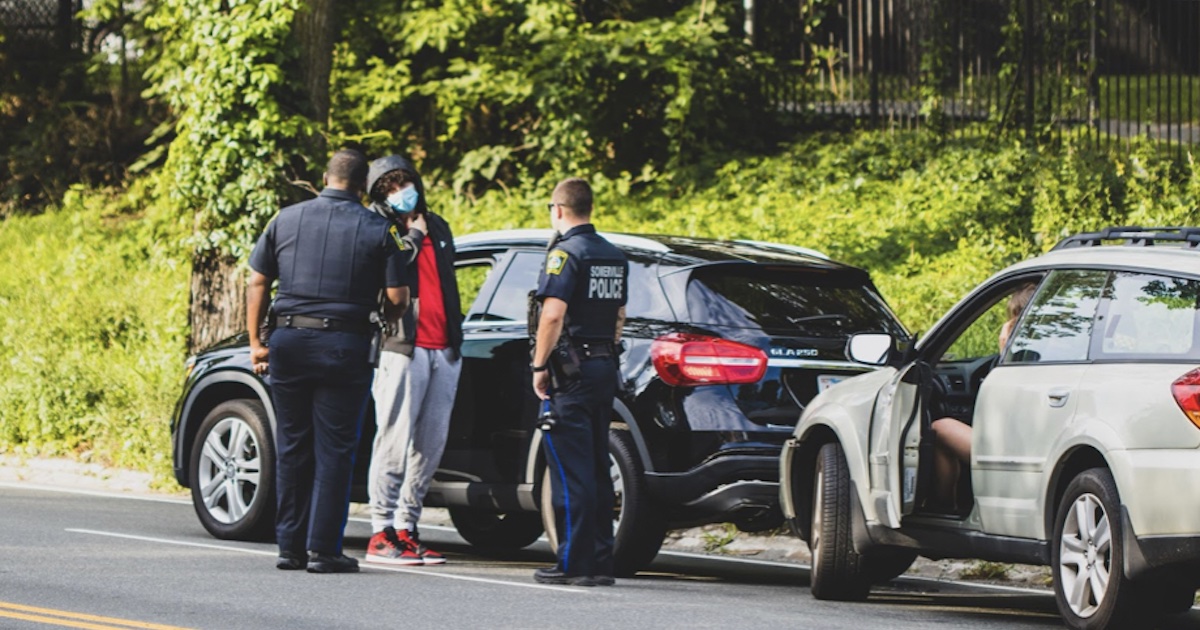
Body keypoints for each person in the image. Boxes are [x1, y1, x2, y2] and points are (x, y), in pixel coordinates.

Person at [246, 148, 409, 574]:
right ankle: (323, 550)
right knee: (335, 448)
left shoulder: (285, 219)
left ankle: (289, 547)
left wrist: (255, 343)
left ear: (324, 177)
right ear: (361, 186)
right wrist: (383, 320)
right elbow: (398, 298)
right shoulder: (380, 228)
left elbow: (258, 281)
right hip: (344, 345)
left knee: (293, 444)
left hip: (289, 342)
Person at [361, 154, 463, 566]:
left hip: (444, 346)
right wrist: (414, 239)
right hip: (401, 346)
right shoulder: (378, 228)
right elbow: (388, 276)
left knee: (430, 444)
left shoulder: (438, 226)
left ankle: (407, 526)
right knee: (393, 437)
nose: (400, 193)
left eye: (403, 184)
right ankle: (380, 530)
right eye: (389, 188)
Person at [529, 177, 628, 586]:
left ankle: (573, 563)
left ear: (558, 210)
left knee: (571, 470)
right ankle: (601, 561)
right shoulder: (614, 255)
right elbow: (620, 314)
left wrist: (539, 366)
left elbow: (552, 315)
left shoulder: (565, 255)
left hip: (571, 372)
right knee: (596, 466)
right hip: (605, 366)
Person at [929, 282, 1036, 509]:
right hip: (1028, 448)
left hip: (1013, 451)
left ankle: (945, 509)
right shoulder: (1057, 354)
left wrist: (1005, 350)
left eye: (1014, 318)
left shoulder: (1022, 360)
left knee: (941, 427)